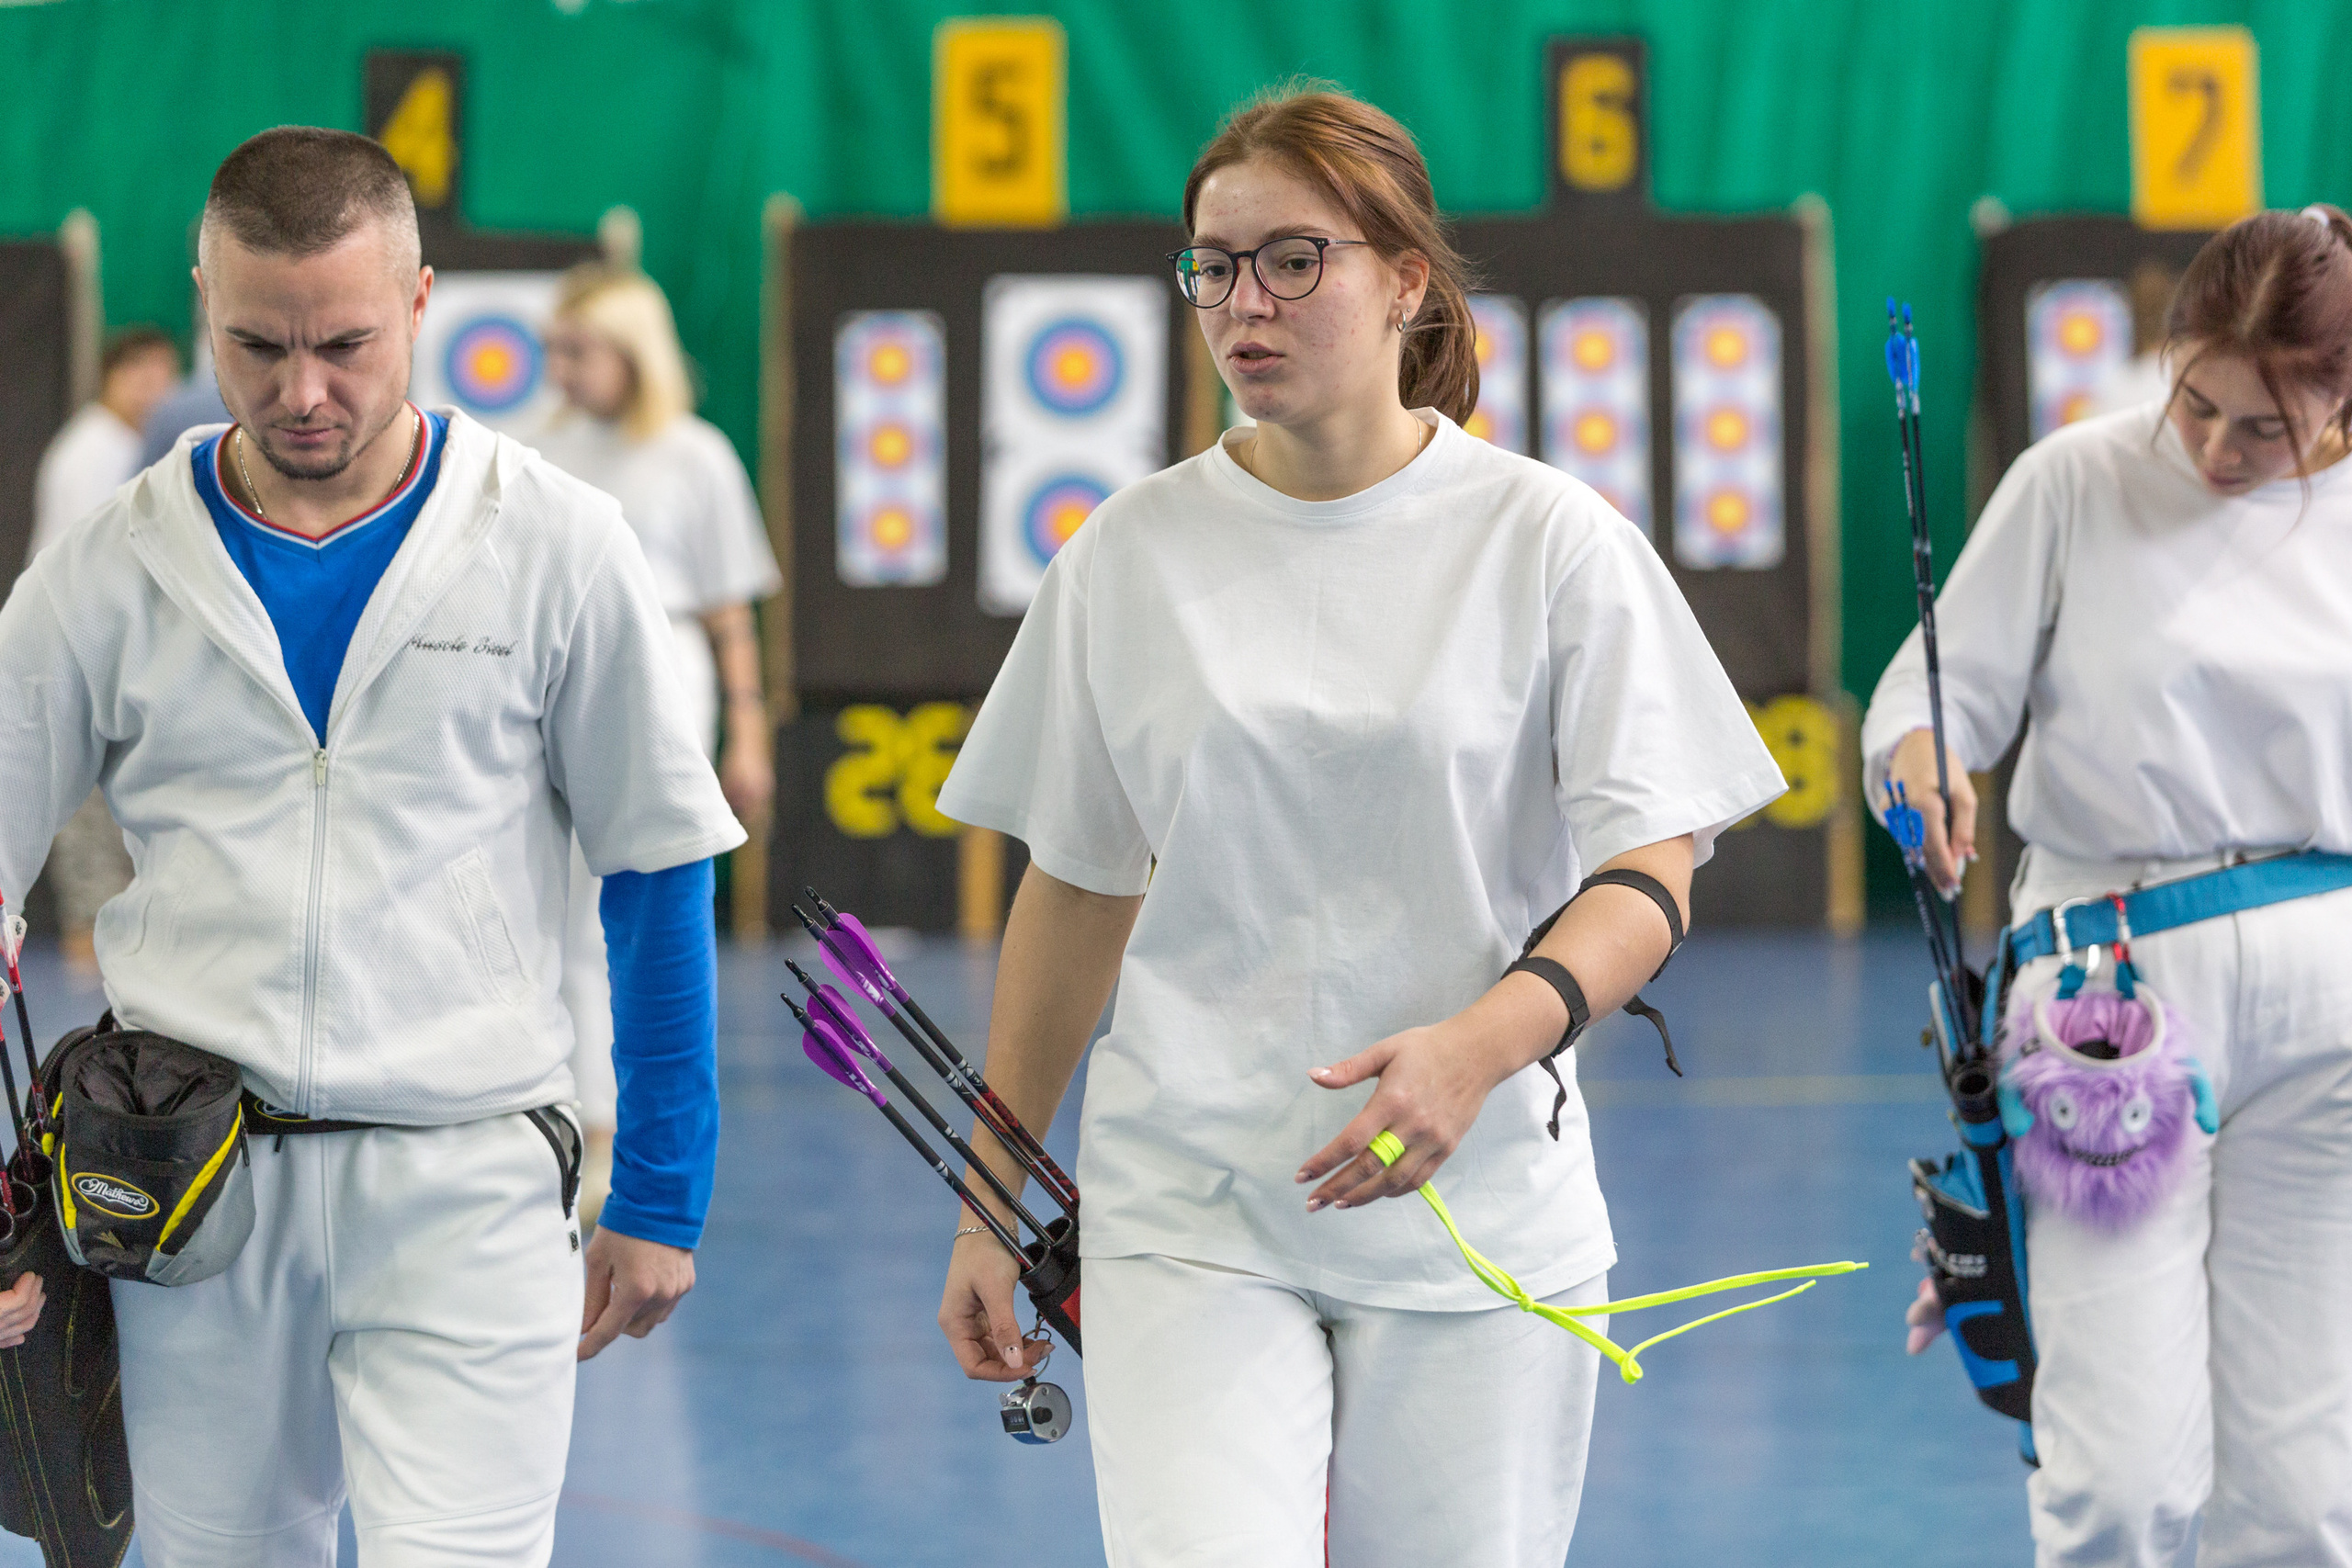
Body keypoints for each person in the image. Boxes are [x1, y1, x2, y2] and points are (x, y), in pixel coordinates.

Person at [932, 85, 1786, 1566]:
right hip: (1187, 1207)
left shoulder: (1549, 539)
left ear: (1405, 279)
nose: (1242, 302)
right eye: (1214, 263)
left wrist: (1478, 1044)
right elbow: (1074, 892)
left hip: (1484, 1211)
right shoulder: (1126, 556)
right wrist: (986, 1199)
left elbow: (1650, 873)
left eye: (1291, 259)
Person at [0, 127, 742, 1564]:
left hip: (468, 1177)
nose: (303, 391)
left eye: (343, 342)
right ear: (205, 298)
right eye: (255, 347)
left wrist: (659, 1186)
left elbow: (658, 865)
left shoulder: (558, 543)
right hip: (184, 1192)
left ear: (418, 303)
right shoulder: (106, 563)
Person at [1868, 207, 2352, 1567]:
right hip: (2108, 1015)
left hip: (2334, 1024)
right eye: (2195, 399)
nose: (2214, 449)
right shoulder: (2076, 477)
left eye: (2270, 428)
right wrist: (1922, 764)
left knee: (2311, 1501)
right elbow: (1933, 693)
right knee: (2120, 1484)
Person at [532, 263, 781, 1224]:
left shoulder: (695, 456)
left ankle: (614, 1136)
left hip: (670, 673)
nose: (560, 369)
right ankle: (575, 1116)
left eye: (579, 349)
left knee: (634, 901)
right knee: (554, 906)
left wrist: (748, 736)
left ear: (632, 353)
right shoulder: (535, 449)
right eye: (553, 348)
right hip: (552, 673)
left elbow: (731, 615)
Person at [27, 327, 183, 973]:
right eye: (139, 375)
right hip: (81, 648)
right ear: (109, 378)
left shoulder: (136, 444)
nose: (154, 389)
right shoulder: (95, 449)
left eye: (164, 375)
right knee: (88, 805)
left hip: (109, 648)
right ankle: (87, 936)